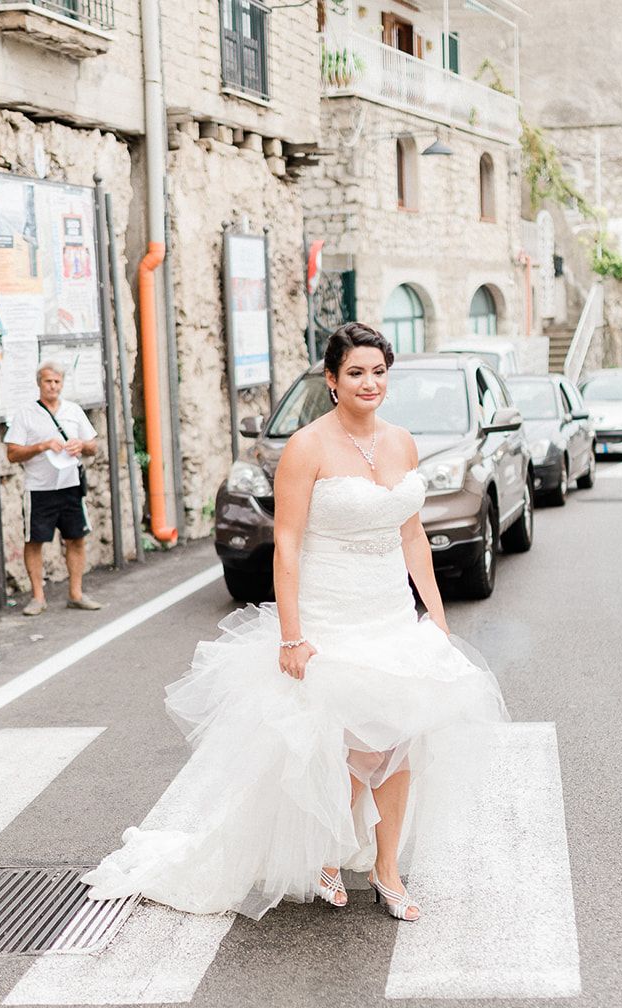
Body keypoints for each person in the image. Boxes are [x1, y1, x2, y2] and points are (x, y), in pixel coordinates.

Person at [83, 322, 507, 921]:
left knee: (401, 739)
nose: (369, 383)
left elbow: (410, 533)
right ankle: (328, 851)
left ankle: (387, 871)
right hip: (330, 613)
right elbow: (287, 545)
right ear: (332, 381)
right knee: (339, 745)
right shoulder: (306, 447)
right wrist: (292, 633)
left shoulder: (403, 443)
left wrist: (433, 616)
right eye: (356, 372)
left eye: (379, 372)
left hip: (389, 612)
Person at [3, 361, 103, 616]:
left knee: (76, 538)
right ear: (39, 383)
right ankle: (38, 597)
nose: (53, 386)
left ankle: (76, 593)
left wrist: (80, 444)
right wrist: (43, 445)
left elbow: (93, 446)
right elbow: (12, 453)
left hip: (70, 485)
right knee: (35, 540)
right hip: (38, 488)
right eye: (48, 381)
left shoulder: (73, 410)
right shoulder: (26, 413)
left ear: (62, 383)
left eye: (57, 381)